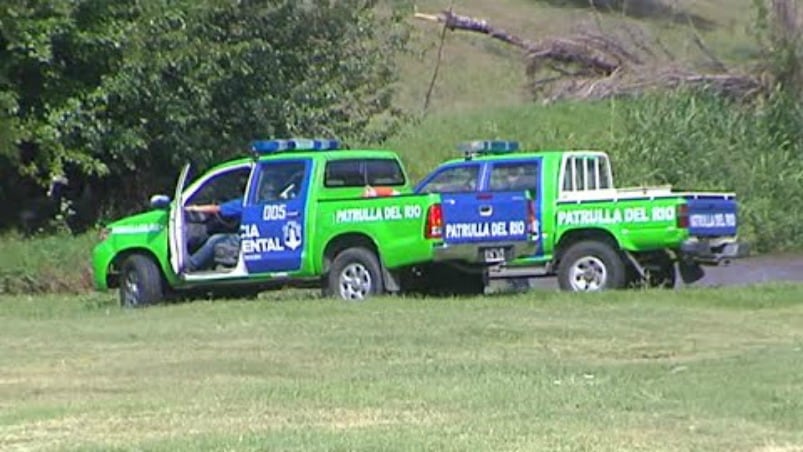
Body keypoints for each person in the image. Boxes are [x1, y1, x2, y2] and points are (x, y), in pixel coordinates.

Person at [184, 198, 243, 271]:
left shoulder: (245, 203)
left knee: (215, 240)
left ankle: (191, 264)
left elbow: (216, 209)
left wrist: (194, 208)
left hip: (243, 238)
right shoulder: (255, 203)